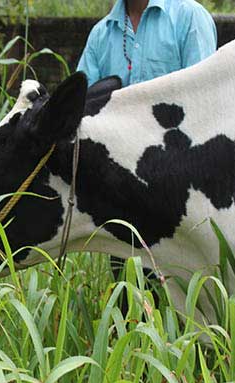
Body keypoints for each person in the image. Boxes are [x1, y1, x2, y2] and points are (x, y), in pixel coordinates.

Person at [77, 0, 218, 296]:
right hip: (121, 198)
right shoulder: (101, 35)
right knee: (130, 297)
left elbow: (207, 106)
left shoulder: (189, 19)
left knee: (190, 302)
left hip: (182, 198)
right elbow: (83, 113)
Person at [78, 0, 217, 88]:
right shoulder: (100, 34)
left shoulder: (190, 17)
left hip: (177, 133)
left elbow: (203, 97)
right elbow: (84, 107)